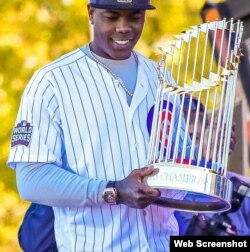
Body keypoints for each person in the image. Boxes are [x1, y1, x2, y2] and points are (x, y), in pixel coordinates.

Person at [7, 1, 182, 251]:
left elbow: (181, 165)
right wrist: (113, 190)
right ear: (91, 13)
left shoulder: (162, 78)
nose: (123, 28)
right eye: (112, 17)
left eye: (134, 17)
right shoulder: (51, 82)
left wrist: (203, 151)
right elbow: (32, 179)